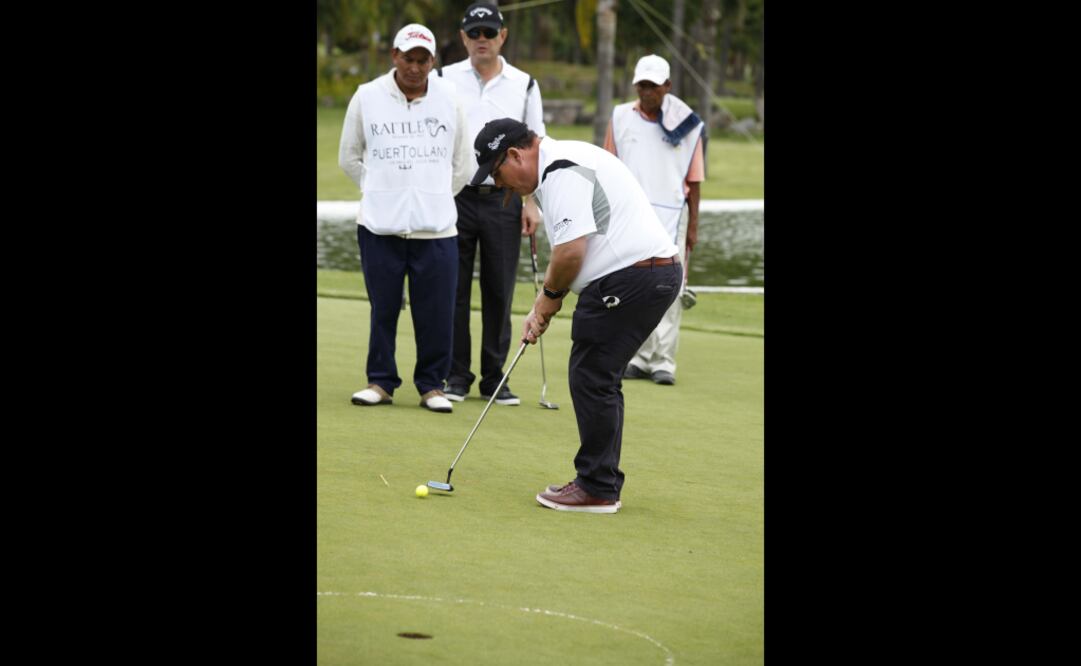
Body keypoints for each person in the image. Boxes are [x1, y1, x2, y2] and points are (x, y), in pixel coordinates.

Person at [470, 118, 681, 514]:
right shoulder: (560, 163)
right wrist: (543, 303)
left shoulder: (560, 169)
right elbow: (571, 254)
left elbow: (570, 253)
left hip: (632, 275)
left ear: (515, 155)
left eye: (497, 174)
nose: (500, 185)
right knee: (597, 374)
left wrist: (548, 300)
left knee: (592, 375)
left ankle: (597, 488)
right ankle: (600, 483)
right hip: (644, 273)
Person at [338, 23, 473, 414]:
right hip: (379, 226)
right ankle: (380, 381)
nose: (415, 67)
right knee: (383, 308)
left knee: (437, 312)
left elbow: (462, 163)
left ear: (432, 61)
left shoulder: (450, 98)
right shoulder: (367, 96)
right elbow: (349, 157)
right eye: (408, 58)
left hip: (437, 229)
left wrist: (434, 194)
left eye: (422, 60)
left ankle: (432, 386)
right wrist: (381, 189)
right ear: (394, 56)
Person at [437, 2, 547, 407]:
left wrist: (531, 203)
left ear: (503, 36)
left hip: (505, 199)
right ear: (463, 37)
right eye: (474, 33)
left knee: (499, 289)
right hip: (456, 197)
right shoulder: (443, 78)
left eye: (489, 32)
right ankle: (456, 375)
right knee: (454, 289)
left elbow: (536, 149)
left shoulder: (525, 84)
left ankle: (494, 377)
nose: (481, 39)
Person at [604, 54, 706, 386]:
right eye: (642, 85)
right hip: (629, 215)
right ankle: (638, 356)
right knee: (634, 285)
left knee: (669, 288)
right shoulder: (620, 117)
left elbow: (694, 181)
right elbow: (608, 166)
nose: (647, 91)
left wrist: (693, 226)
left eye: (654, 85)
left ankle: (664, 360)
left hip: (672, 214)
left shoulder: (688, 125)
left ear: (667, 86)